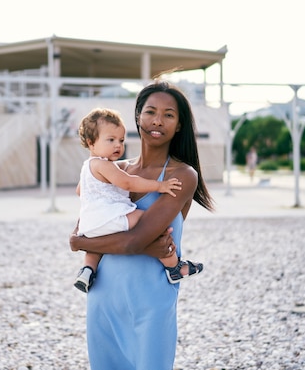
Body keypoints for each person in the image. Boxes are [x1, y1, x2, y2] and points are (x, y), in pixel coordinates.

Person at [69, 80, 214, 370]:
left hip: (151, 300)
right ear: (137, 117)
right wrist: (145, 245)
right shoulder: (114, 169)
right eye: (150, 111)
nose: (158, 120)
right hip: (104, 296)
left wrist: (80, 244)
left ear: (179, 125)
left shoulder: (182, 176)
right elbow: (87, 220)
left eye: (169, 114)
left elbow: (131, 241)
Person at [73, 107, 204, 293]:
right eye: (111, 140)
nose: (118, 145)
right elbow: (127, 182)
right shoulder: (103, 164)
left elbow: (80, 190)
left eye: (121, 140)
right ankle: (174, 268)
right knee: (152, 224)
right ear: (91, 143)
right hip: (112, 216)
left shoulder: (87, 168)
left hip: (89, 223)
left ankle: (87, 270)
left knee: (95, 247)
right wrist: (159, 186)